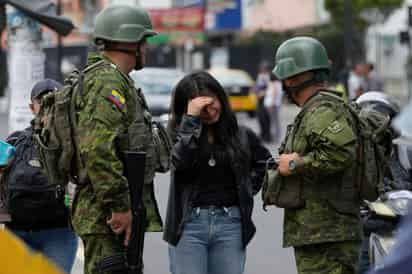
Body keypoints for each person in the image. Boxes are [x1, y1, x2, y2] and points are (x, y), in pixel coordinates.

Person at [70, 5, 163, 274]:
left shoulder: (115, 80)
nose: (146, 48)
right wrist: (119, 206)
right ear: (132, 43)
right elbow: (96, 148)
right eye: (144, 41)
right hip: (107, 217)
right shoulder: (108, 83)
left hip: (110, 214)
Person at [163, 71, 272, 274]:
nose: (210, 111)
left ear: (221, 97)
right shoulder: (179, 134)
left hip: (230, 224)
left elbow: (265, 164)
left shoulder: (241, 134)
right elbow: (179, 162)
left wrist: (248, 188)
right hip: (188, 226)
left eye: (213, 102)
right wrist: (191, 121)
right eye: (201, 108)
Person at [270, 37, 362, 274]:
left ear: (291, 78)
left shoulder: (320, 110)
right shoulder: (320, 107)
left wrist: (295, 163)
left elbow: (341, 153)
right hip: (321, 232)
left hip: (326, 235)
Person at [0, 79, 78, 273]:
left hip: (56, 231)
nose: (48, 107)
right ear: (31, 107)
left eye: (53, 101)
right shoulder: (16, 140)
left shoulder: (75, 140)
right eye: (43, 102)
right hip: (25, 232)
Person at [355, 92, 410, 274]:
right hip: (368, 227)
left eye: (380, 120)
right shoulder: (354, 156)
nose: (376, 127)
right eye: (369, 121)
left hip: (403, 222)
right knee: (361, 261)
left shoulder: (405, 153)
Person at [255, 61, 273, 142]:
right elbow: (257, 87)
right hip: (259, 100)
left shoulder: (268, 77)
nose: (262, 70)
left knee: (266, 118)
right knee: (260, 118)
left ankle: (267, 135)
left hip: (266, 100)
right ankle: (263, 134)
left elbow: (270, 88)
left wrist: (263, 93)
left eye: (264, 69)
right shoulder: (260, 76)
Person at [264, 73, 283, 143]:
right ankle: (276, 136)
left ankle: (275, 137)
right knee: (275, 121)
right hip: (275, 104)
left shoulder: (274, 84)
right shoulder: (278, 83)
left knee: (273, 121)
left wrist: (272, 104)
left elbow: (274, 94)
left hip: (272, 105)